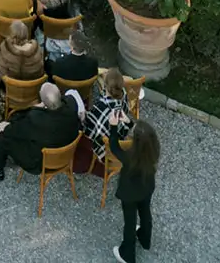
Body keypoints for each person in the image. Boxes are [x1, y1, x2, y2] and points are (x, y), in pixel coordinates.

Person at [0, 81, 80, 180]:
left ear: (43, 102)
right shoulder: (72, 105)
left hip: (38, 162)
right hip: (64, 156)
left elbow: (16, 130)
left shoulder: (36, 119)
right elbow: (70, 96)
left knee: (2, 135)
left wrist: (7, 125)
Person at [109, 118, 160, 263]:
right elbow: (142, 137)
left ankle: (127, 254)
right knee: (145, 211)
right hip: (147, 186)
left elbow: (114, 147)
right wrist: (129, 122)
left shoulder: (129, 157)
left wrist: (113, 127)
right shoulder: (153, 149)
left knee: (130, 221)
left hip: (130, 193)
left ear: (135, 142)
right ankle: (145, 238)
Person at [0, 19, 45, 84]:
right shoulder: (36, 50)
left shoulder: (5, 47)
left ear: (12, 34)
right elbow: (41, 70)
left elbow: (0, 69)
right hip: (32, 87)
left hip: (10, 86)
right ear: (26, 33)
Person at [53, 28, 101, 92]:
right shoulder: (93, 62)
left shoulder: (60, 62)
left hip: (67, 92)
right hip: (86, 92)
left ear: (72, 47)